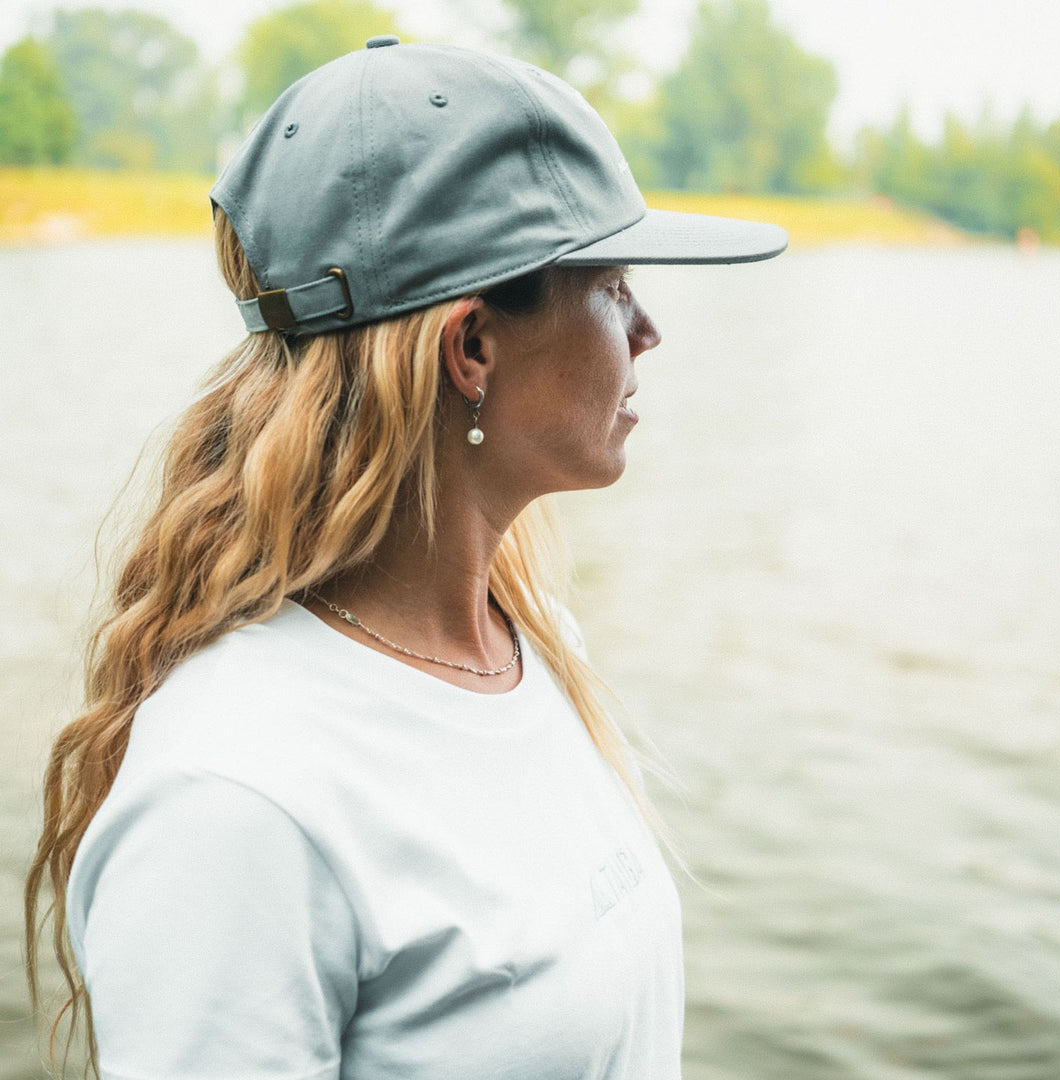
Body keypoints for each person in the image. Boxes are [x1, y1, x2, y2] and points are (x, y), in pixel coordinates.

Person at [25, 36, 786, 1080]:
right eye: (612, 286)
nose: (648, 330)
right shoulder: (236, 801)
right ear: (472, 347)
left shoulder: (529, 642)